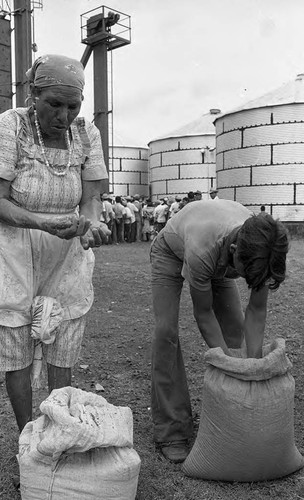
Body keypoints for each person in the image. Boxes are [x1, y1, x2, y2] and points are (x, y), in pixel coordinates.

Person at [0, 54, 110, 435]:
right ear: (34, 95)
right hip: (14, 249)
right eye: (54, 104)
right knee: (15, 344)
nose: (63, 115)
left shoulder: (86, 134)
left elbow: (91, 198)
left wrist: (93, 223)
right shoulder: (12, 125)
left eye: (72, 106)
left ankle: (55, 430)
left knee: (63, 337)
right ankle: (27, 434)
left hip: (67, 251)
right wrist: (44, 223)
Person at [150, 199, 289, 463]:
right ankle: (172, 430)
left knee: (235, 334)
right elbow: (204, 314)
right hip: (171, 250)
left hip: (220, 256)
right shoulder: (202, 250)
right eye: (243, 272)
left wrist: (252, 368)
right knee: (166, 334)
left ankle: (234, 414)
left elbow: (256, 312)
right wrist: (227, 364)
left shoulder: (261, 245)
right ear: (235, 252)